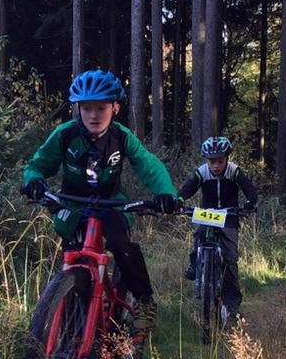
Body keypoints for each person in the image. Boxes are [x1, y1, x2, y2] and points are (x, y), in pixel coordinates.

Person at [20, 69, 179, 334]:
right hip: (73, 204)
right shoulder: (65, 134)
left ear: (115, 107)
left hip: (111, 204)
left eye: (102, 107)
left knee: (120, 243)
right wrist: (34, 180)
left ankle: (143, 301)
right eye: (87, 108)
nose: (94, 115)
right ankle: (71, 317)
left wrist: (166, 193)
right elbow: (38, 164)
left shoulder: (122, 136)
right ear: (78, 109)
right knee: (71, 251)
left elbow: (148, 166)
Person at [179, 135, 259, 320]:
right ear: (206, 160)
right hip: (207, 214)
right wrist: (179, 199)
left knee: (230, 260)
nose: (215, 165)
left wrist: (250, 202)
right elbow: (188, 188)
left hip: (228, 216)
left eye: (220, 161)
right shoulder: (202, 172)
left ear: (227, 159)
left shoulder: (234, 171)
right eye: (211, 161)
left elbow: (249, 189)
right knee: (199, 235)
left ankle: (231, 308)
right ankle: (194, 264)